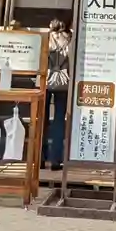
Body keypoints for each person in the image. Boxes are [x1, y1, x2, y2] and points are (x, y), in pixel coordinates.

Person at [43, 18, 72, 170]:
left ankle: (40, 158)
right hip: (64, 82)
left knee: (42, 118)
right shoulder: (71, 39)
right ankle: (56, 159)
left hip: (45, 80)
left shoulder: (45, 38)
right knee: (59, 119)